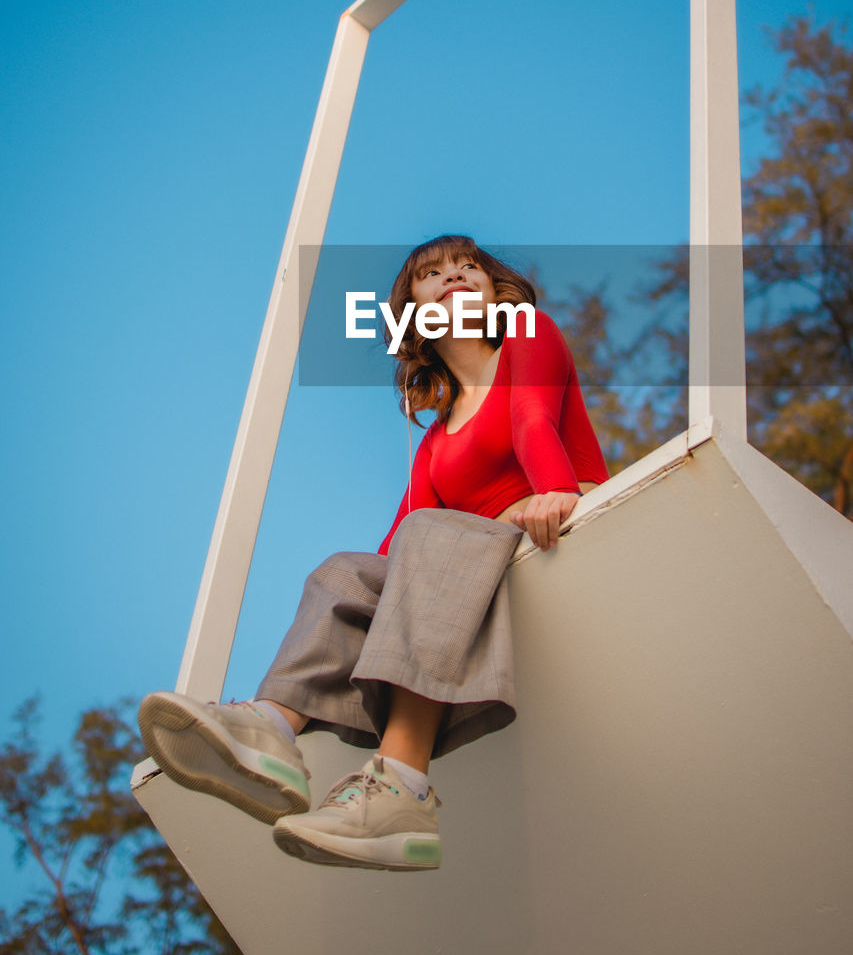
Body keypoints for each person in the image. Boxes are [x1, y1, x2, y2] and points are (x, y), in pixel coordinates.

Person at [138, 235, 609, 872]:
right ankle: (271, 728)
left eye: (469, 267)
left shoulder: (529, 334)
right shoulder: (436, 442)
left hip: (554, 531)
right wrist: (359, 593)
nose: (455, 277)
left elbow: (531, 419)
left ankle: (402, 787)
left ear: (498, 290)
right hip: (468, 574)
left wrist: (554, 490)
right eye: (432, 274)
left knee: (428, 535)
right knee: (346, 570)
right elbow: (395, 549)